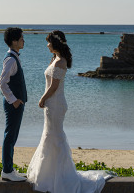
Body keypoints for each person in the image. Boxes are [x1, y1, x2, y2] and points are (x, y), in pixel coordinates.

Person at [27, 30, 115, 193]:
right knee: (50, 136)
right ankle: (49, 175)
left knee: (54, 136)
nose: (47, 45)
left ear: (55, 43)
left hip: (55, 104)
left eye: (48, 42)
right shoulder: (55, 59)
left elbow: (53, 87)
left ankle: (60, 177)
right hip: (52, 104)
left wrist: (42, 99)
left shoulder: (61, 62)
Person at [0, 26, 28, 181]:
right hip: (13, 104)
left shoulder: (15, 57)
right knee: (10, 136)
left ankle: (9, 169)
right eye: (22, 38)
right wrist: (14, 100)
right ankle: (7, 171)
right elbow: (2, 83)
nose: (24, 40)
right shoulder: (10, 59)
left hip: (16, 103)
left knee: (12, 136)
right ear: (14, 41)